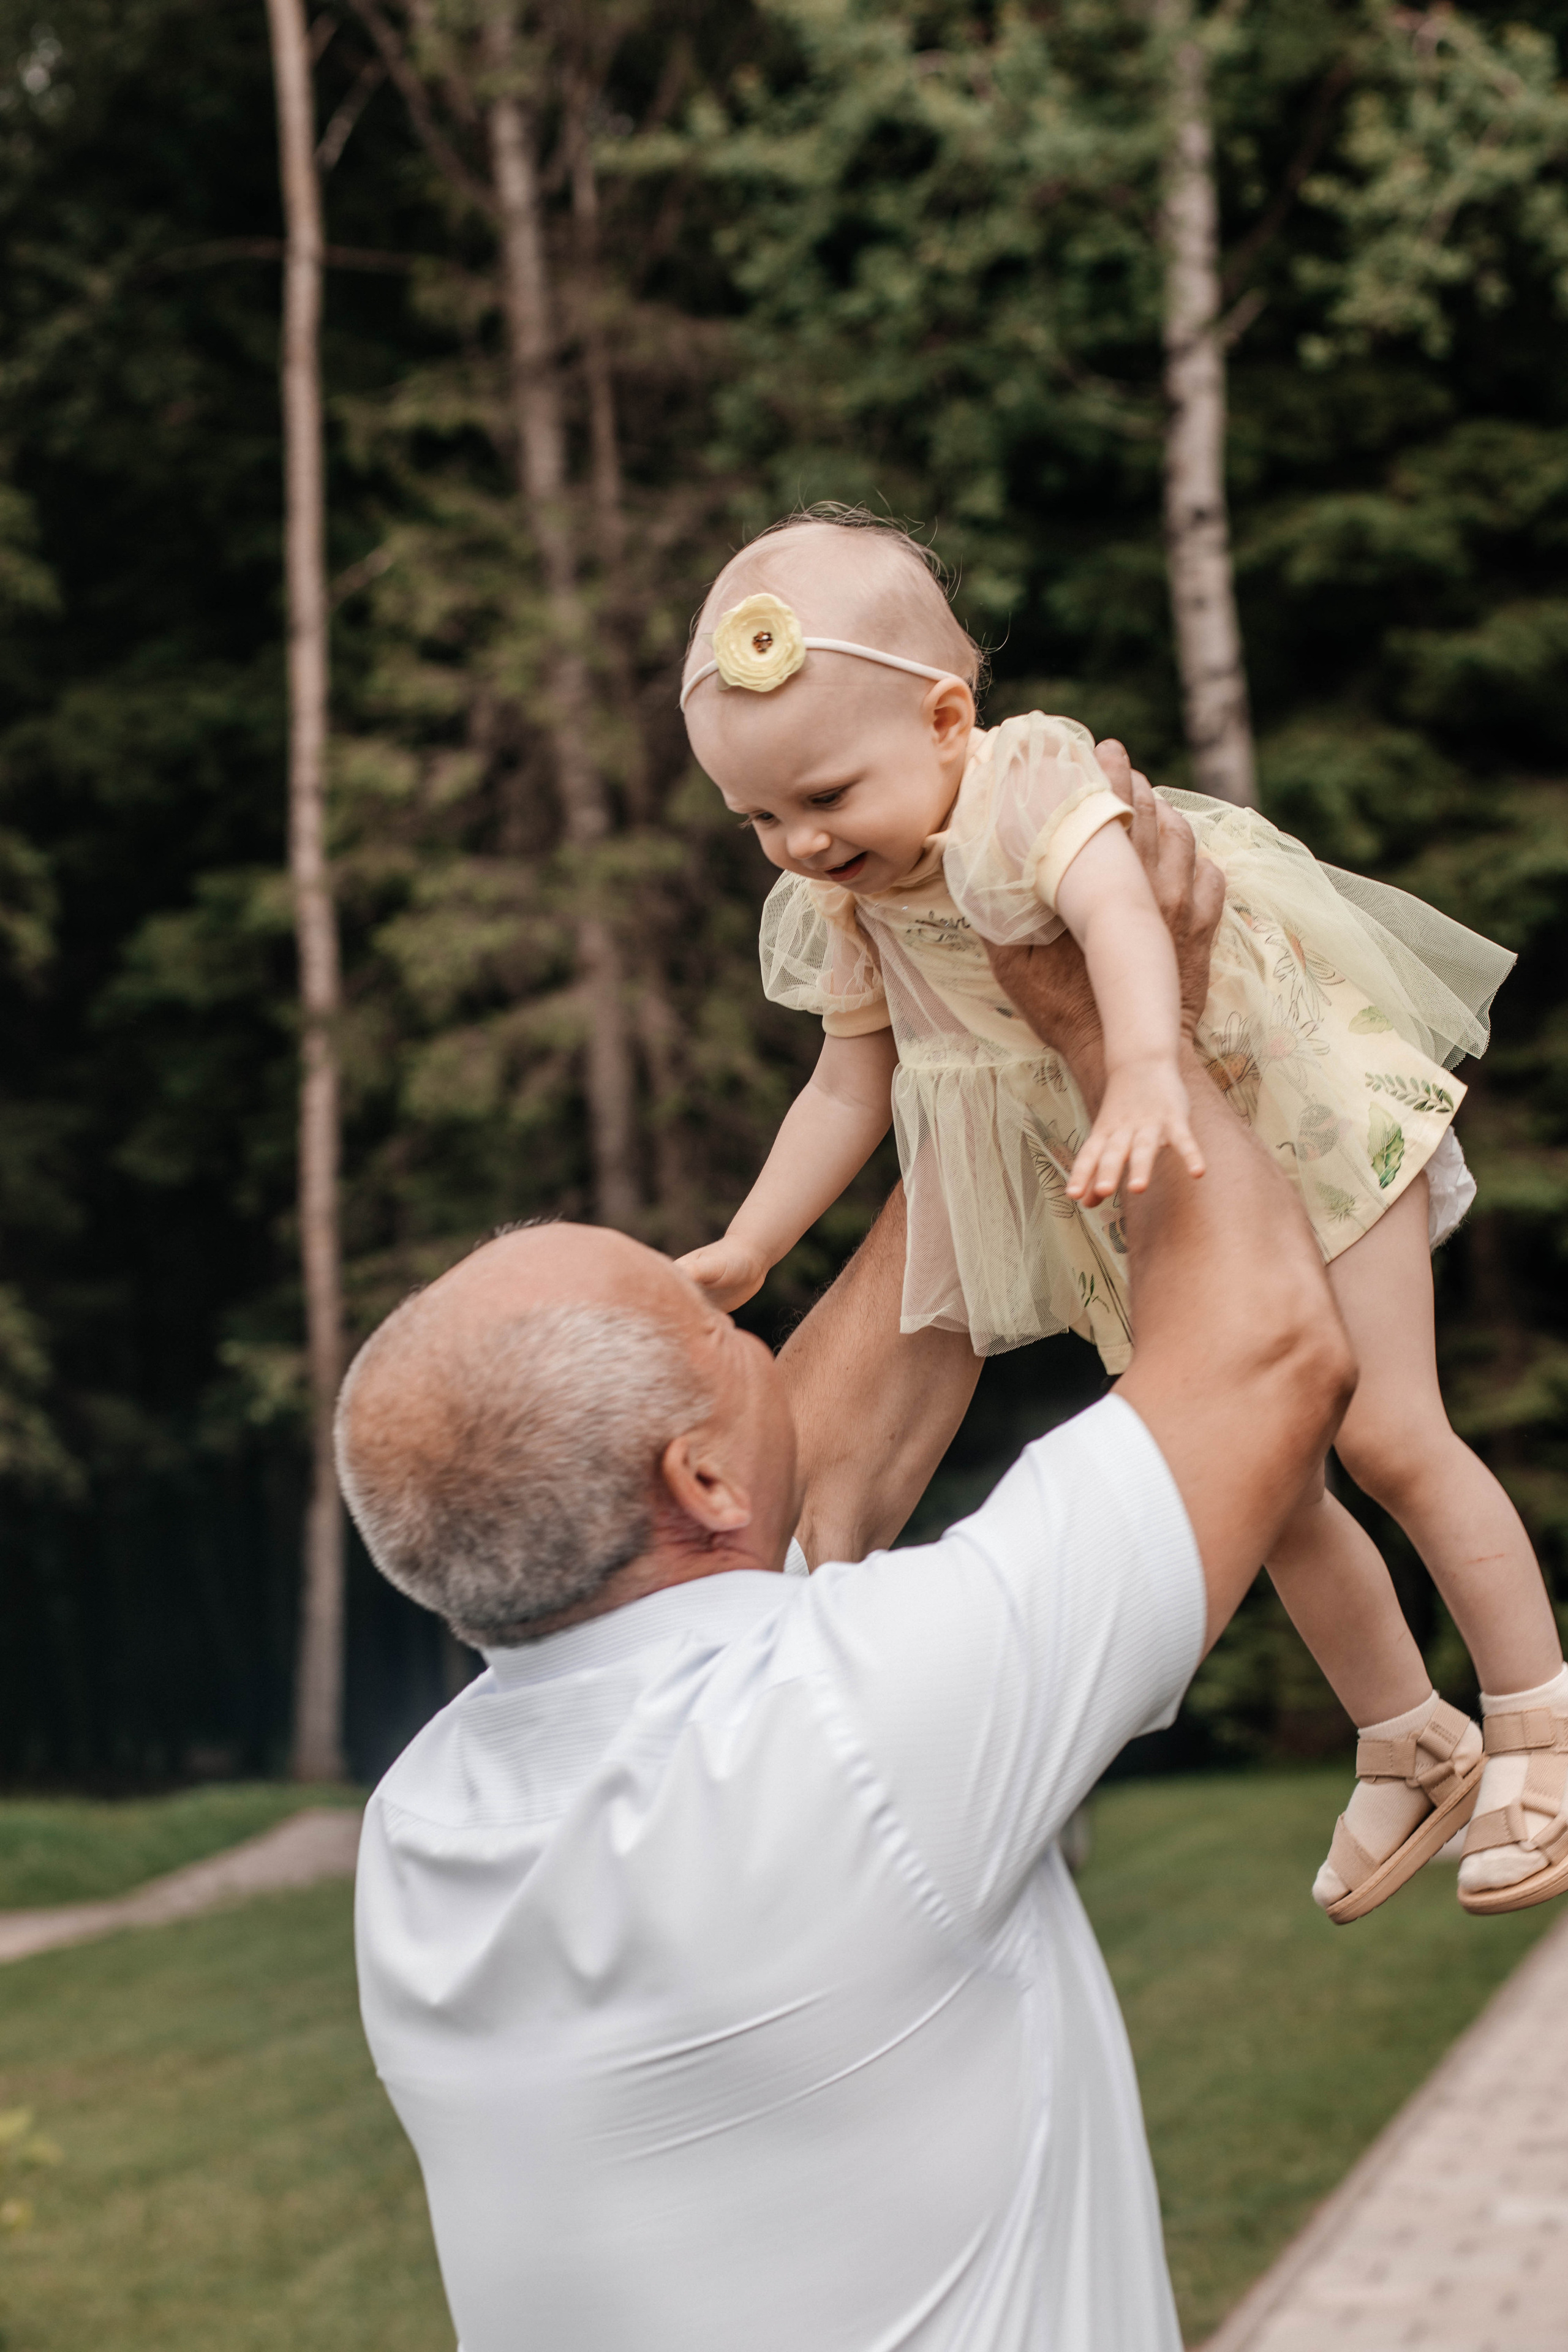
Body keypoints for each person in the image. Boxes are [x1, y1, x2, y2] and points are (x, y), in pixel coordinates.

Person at [342, 782, 1351, 2352]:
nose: (755, 1335)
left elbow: (799, 1475)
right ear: (692, 1474)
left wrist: (972, 1048)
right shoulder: (855, 1723)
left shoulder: (423, 1836)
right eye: (723, 1330)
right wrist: (1108, 1030)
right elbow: (1266, 1356)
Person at [675, 513, 1568, 1926]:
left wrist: (1146, 1065)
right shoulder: (847, 900)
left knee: (1389, 1430)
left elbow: (1122, 918)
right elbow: (847, 1091)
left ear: (947, 715)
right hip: (1129, 1182)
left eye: (823, 795)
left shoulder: (1021, 784)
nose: (798, 841)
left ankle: (1539, 1718)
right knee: (1264, 1482)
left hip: (1276, 1112)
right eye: (760, 821)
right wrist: (754, 1242)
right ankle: (1409, 1736)